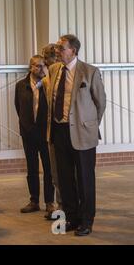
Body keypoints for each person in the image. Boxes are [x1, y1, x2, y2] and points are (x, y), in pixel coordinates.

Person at [46, 34, 106, 236]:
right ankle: (71, 217)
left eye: (62, 48)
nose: (58, 51)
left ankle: (87, 220)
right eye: (57, 48)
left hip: (82, 133)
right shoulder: (53, 70)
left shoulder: (89, 72)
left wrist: (90, 124)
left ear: (74, 50)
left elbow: (100, 102)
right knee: (64, 179)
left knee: (85, 178)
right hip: (59, 130)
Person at [15, 55, 55, 216]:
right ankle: (34, 201)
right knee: (31, 169)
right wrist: (27, 126)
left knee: (49, 169)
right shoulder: (21, 85)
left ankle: (50, 203)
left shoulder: (49, 85)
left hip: (46, 133)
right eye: (37, 66)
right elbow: (18, 107)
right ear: (31, 67)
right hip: (28, 133)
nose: (40, 69)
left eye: (43, 66)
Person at [41, 43, 63, 218]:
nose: (46, 64)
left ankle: (73, 206)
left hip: (70, 132)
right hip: (53, 132)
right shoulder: (47, 80)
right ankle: (61, 206)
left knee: (71, 174)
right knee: (56, 174)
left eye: (48, 59)